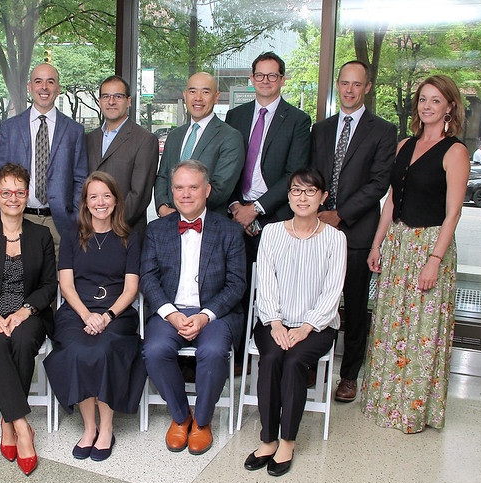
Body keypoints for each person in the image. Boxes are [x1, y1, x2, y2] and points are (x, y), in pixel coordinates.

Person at [361, 75, 470, 434]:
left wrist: (434, 260)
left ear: (450, 107)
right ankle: (384, 400)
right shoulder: (405, 144)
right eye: (423, 99)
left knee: (421, 328)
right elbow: (392, 199)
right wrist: (378, 243)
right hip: (399, 243)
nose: (427, 106)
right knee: (391, 324)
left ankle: (413, 409)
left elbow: (453, 212)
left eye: (436, 100)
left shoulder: (455, 151)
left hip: (429, 245)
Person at [243, 168, 346, 477]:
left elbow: (333, 291)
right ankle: (268, 438)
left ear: (323, 197)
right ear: (288, 196)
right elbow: (267, 283)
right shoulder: (272, 232)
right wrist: (275, 323)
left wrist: (305, 328)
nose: (303, 198)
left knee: (295, 360)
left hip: (317, 325)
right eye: (296, 191)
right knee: (272, 357)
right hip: (273, 320)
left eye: (310, 191)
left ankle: (287, 440)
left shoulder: (335, 239)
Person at [141, 159, 245, 455]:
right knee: (155, 350)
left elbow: (237, 284)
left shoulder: (228, 231)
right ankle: (180, 416)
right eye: (179, 187)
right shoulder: (156, 229)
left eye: (193, 187)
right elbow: (148, 278)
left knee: (213, 352)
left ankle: (202, 421)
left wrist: (204, 316)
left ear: (208, 190)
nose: (185, 194)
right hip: (170, 312)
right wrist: (172, 314)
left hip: (214, 313)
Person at [310, 61, 397, 403]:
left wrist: (340, 215)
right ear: (338, 84)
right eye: (344, 83)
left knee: (356, 307)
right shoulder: (321, 128)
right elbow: (312, 176)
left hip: (357, 232)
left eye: (356, 84)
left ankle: (349, 375)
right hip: (317, 230)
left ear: (367, 87)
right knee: (314, 300)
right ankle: (309, 366)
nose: (349, 90)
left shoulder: (382, 130)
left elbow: (378, 184)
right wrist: (317, 212)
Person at [44, 171, 145, 462]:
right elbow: (66, 285)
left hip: (117, 314)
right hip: (77, 312)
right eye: (93, 197)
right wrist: (88, 315)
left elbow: (131, 288)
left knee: (103, 349)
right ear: (86, 203)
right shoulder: (72, 237)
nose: (100, 202)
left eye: (106, 195)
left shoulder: (130, 239)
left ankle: (107, 428)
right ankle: (89, 428)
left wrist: (107, 317)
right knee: (77, 349)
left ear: (115, 200)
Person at [0, 163, 56, 475]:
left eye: (19, 192)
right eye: (6, 192)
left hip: (28, 313)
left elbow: (48, 286)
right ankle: (21, 425)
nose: (12, 198)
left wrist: (24, 311)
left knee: (22, 339)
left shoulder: (41, 235)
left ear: (27, 195)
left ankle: (7, 421)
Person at [225, 51, 311, 359]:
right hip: (235, 215)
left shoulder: (298, 120)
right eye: (259, 75)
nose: (265, 81)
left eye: (272, 76)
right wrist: (236, 205)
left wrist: (256, 209)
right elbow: (229, 166)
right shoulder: (235, 117)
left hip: (275, 216)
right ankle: (236, 352)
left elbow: (293, 174)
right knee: (237, 284)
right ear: (251, 79)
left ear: (282, 80)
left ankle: (272, 349)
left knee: (276, 287)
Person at [0, 62, 88, 249]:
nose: (44, 87)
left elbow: (80, 179)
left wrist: (75, 217)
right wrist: (3, 215)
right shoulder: (9, 128)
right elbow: (0, 177)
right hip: (20, 218)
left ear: (58, 89)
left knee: (59, 277)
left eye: (50, 82)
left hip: (60, 223)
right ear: (30, 87)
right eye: (38, 82)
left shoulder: (74, 130)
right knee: (20, 277)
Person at [154, 72, 244, 218]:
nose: (198, 98)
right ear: (185, 95)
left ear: (216, 97)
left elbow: (221, 188)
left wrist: (184, 212)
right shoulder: (175, 136)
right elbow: (163, 176)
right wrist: (162, 206)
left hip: (209, 224)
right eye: (192, 91)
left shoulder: (230, 137)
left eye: (206, 92)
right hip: (169, 221)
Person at [86, 76, 159, 237]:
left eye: (118, 96)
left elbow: (139, 195)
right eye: (106, 96)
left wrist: (108, 226)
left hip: (126, 232)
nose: (111, 101)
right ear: (99, 101)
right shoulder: (89, 139)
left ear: (129, 101)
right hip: (91, 232)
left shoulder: (145, 140)